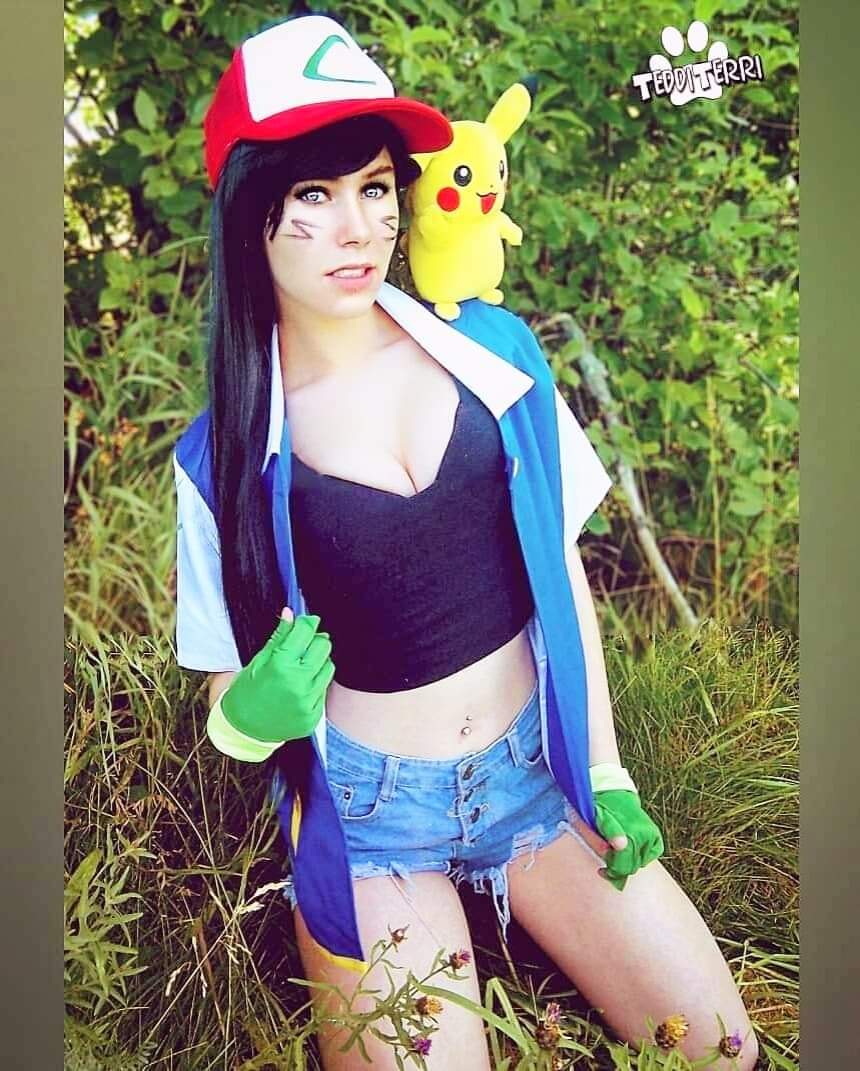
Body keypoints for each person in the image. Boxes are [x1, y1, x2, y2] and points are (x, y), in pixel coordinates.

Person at [173, 15, 759, 1070]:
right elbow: (225, 699)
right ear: (248, 213)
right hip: (371, 824)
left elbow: (561, 571)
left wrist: (607, 768)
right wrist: (249, 716)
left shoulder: (494, 353)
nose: (358, 229)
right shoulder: (219, 457)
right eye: (313, 196)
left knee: (721, 1048)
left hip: (535, 780)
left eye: (373, 188)